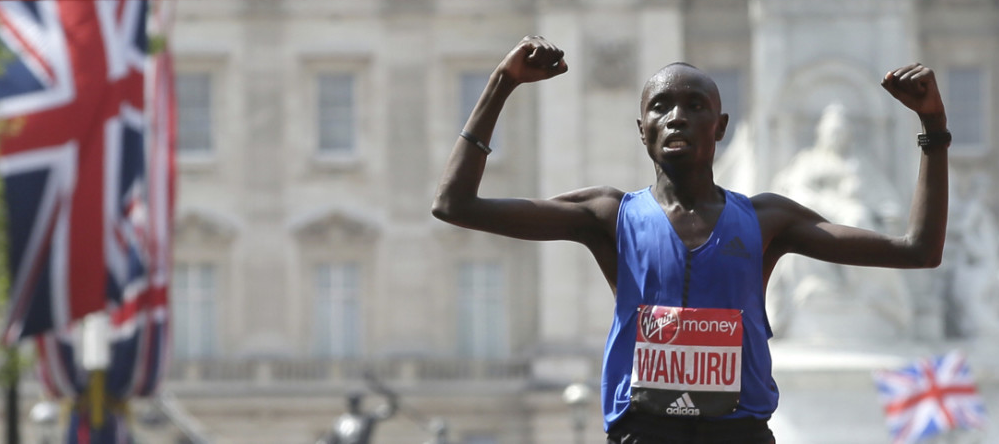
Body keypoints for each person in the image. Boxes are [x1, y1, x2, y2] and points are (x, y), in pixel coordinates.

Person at [432, 36, 949, 444]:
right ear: (642, 129)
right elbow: (455, 205)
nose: (677, 115)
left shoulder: (768, 219)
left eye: (695, 105)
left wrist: (932, 127)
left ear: (720, 126)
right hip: (644, 430)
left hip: (739, 431)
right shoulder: (608, 215)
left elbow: (918, 251)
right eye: (661, 106)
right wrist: (502, 81)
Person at [320, 377, 399, 444]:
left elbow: (391, 408)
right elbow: (331, 439)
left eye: (355, 401)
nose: (354, 404)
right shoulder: (340, 421)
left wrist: (378, 387)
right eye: (352, 401)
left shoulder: (368, 418)